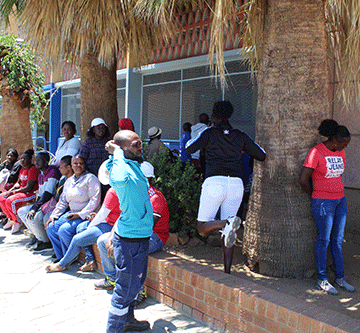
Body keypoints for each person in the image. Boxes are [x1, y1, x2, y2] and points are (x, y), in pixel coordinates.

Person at [185, 101, 266, 274]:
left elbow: (189, 148)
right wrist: (239, 149)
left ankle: (225, 222)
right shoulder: (240, 135)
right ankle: (227, 270)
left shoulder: (209, 133)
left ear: (213, 116)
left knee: (202, 228)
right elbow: (261, 155)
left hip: (214, 182)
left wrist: (205, 137)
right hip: (236, 184)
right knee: (228, 231)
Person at [94, 161, 169, 300]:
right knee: (102, 241)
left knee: (130, 249)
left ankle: (139, 291)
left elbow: (146, 227)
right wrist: (112, 237)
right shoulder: (135, 193)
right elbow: (123, 218)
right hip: (135, 233)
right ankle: (113, 279)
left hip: (155, 237)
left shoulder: (155, 198)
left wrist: (120, 240)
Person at [105, 130, 153, 333]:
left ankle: (128, 319)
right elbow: (121, 180)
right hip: (130, 241)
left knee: (136, 284)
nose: (140, 147)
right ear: (122, 149)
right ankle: (114, 329)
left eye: (141, 143)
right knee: (125, 289)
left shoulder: (134, 166)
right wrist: (116, 154)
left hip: (140, 237)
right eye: (135, 144)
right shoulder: (119, 169)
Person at [299, 119, 354, 295]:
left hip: (340, 200)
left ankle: (340, 278)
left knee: (338, 240)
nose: (345, 147)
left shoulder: (340, 153)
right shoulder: (316, 152)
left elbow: (337, 175)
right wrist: (317, 196)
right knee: (324, 240)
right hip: (323, 202)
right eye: (344, 143)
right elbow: (303, 179)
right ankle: (322, 279)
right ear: (335, 141)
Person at [45, 187, 118, 273]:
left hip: (111, 225)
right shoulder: (116, 190)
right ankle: (90, 260)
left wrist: (90, 227)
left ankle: (62, 264)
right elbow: (106, 212)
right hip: (107, 221)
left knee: (77, 239)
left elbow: (102, 214)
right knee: (80, 227)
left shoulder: (112, 192)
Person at [45, 155, 101, 261]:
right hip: (72, 213)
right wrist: (54, 215)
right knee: (51, 227)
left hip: (86, 214)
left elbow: (95, 200)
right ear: (71, 166)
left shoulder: (91, 178)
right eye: (75, 163)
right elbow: (63, 201)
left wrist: (79, 215)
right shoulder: (69, 181)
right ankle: (62, 256)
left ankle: (70, 257)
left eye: (81, 163)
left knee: (64, 230)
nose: (78, 165)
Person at [17, 152, 61, 253]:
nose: (36, 162)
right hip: (43, 203)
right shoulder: (41, 175)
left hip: (52, 204)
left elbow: (48, 194)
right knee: (22, 212)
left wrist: (35, 208)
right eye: (35, 160)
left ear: (46, 162)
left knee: (37, 216)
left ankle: (46, 242)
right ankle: (39, 237)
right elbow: (41, 195)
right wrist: (35, 207)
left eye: (39, 160)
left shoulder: (52, 172)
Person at [0, 149, 40, 234]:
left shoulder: (32, 169)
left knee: (11, 201)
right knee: (2, 197)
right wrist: (10, 191)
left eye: (24, 159)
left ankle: (17, 222)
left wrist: (14, 192)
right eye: (21, 158)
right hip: (22, 191)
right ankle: (11, 218)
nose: (22, 160)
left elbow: (29, 187)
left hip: (30, 193)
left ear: (29, 160)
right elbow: (18, 182)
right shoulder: (22, 169)